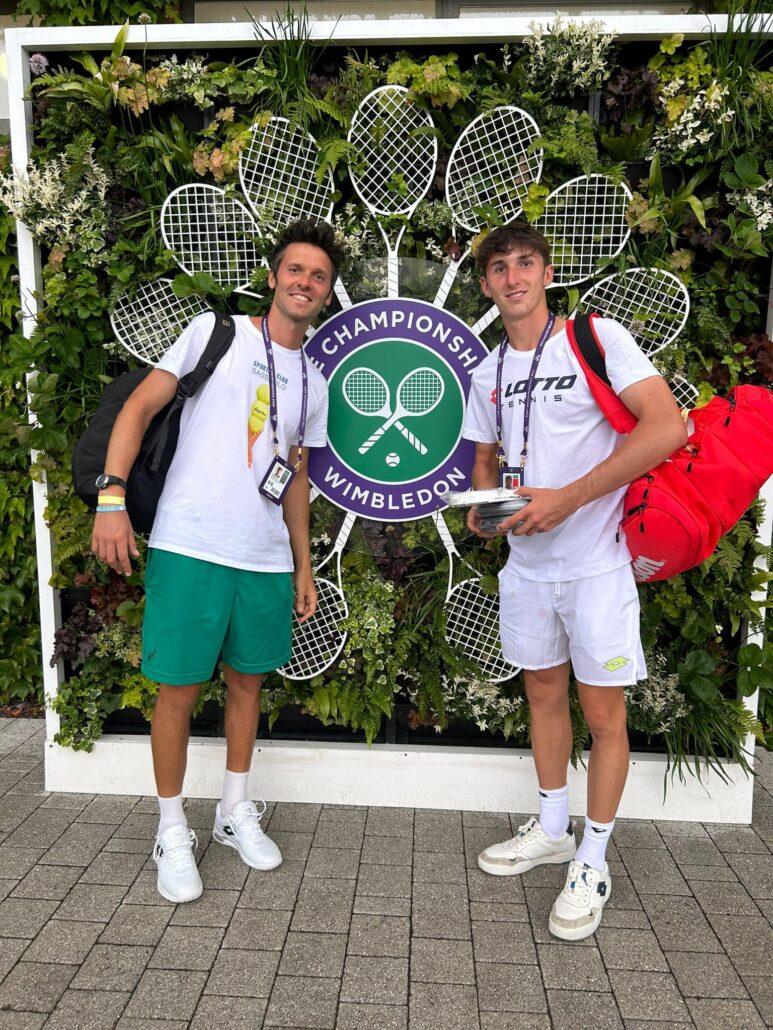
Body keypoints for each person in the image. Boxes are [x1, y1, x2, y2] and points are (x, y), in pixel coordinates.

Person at [91, 219, 343, 904]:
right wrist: (110, 499)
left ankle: (233, 811)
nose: (303, 282)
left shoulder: (314, 382)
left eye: (317, 276)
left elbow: (295, 478)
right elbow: (141, 406)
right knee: (175, 689)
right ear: (272, 278)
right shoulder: (215, 333)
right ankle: (171, 828)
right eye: (294, 270)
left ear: (326, 292)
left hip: (262, 560)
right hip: (189, 544)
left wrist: (302, 564)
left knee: (247, 685)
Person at [463, 222, 687, 940]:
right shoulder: (487, 370)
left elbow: (665, 428)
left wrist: (567, 498)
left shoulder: (594, 335)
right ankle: (554, 827)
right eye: (497, 268)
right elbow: (485, 460)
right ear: (485, 284)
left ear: (547, 271)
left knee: (604, 717)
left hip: (594, 565)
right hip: (527, 569)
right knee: (541, 694)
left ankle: (592, 858)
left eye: (524, 263)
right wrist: (484, 510)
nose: (512, 277)